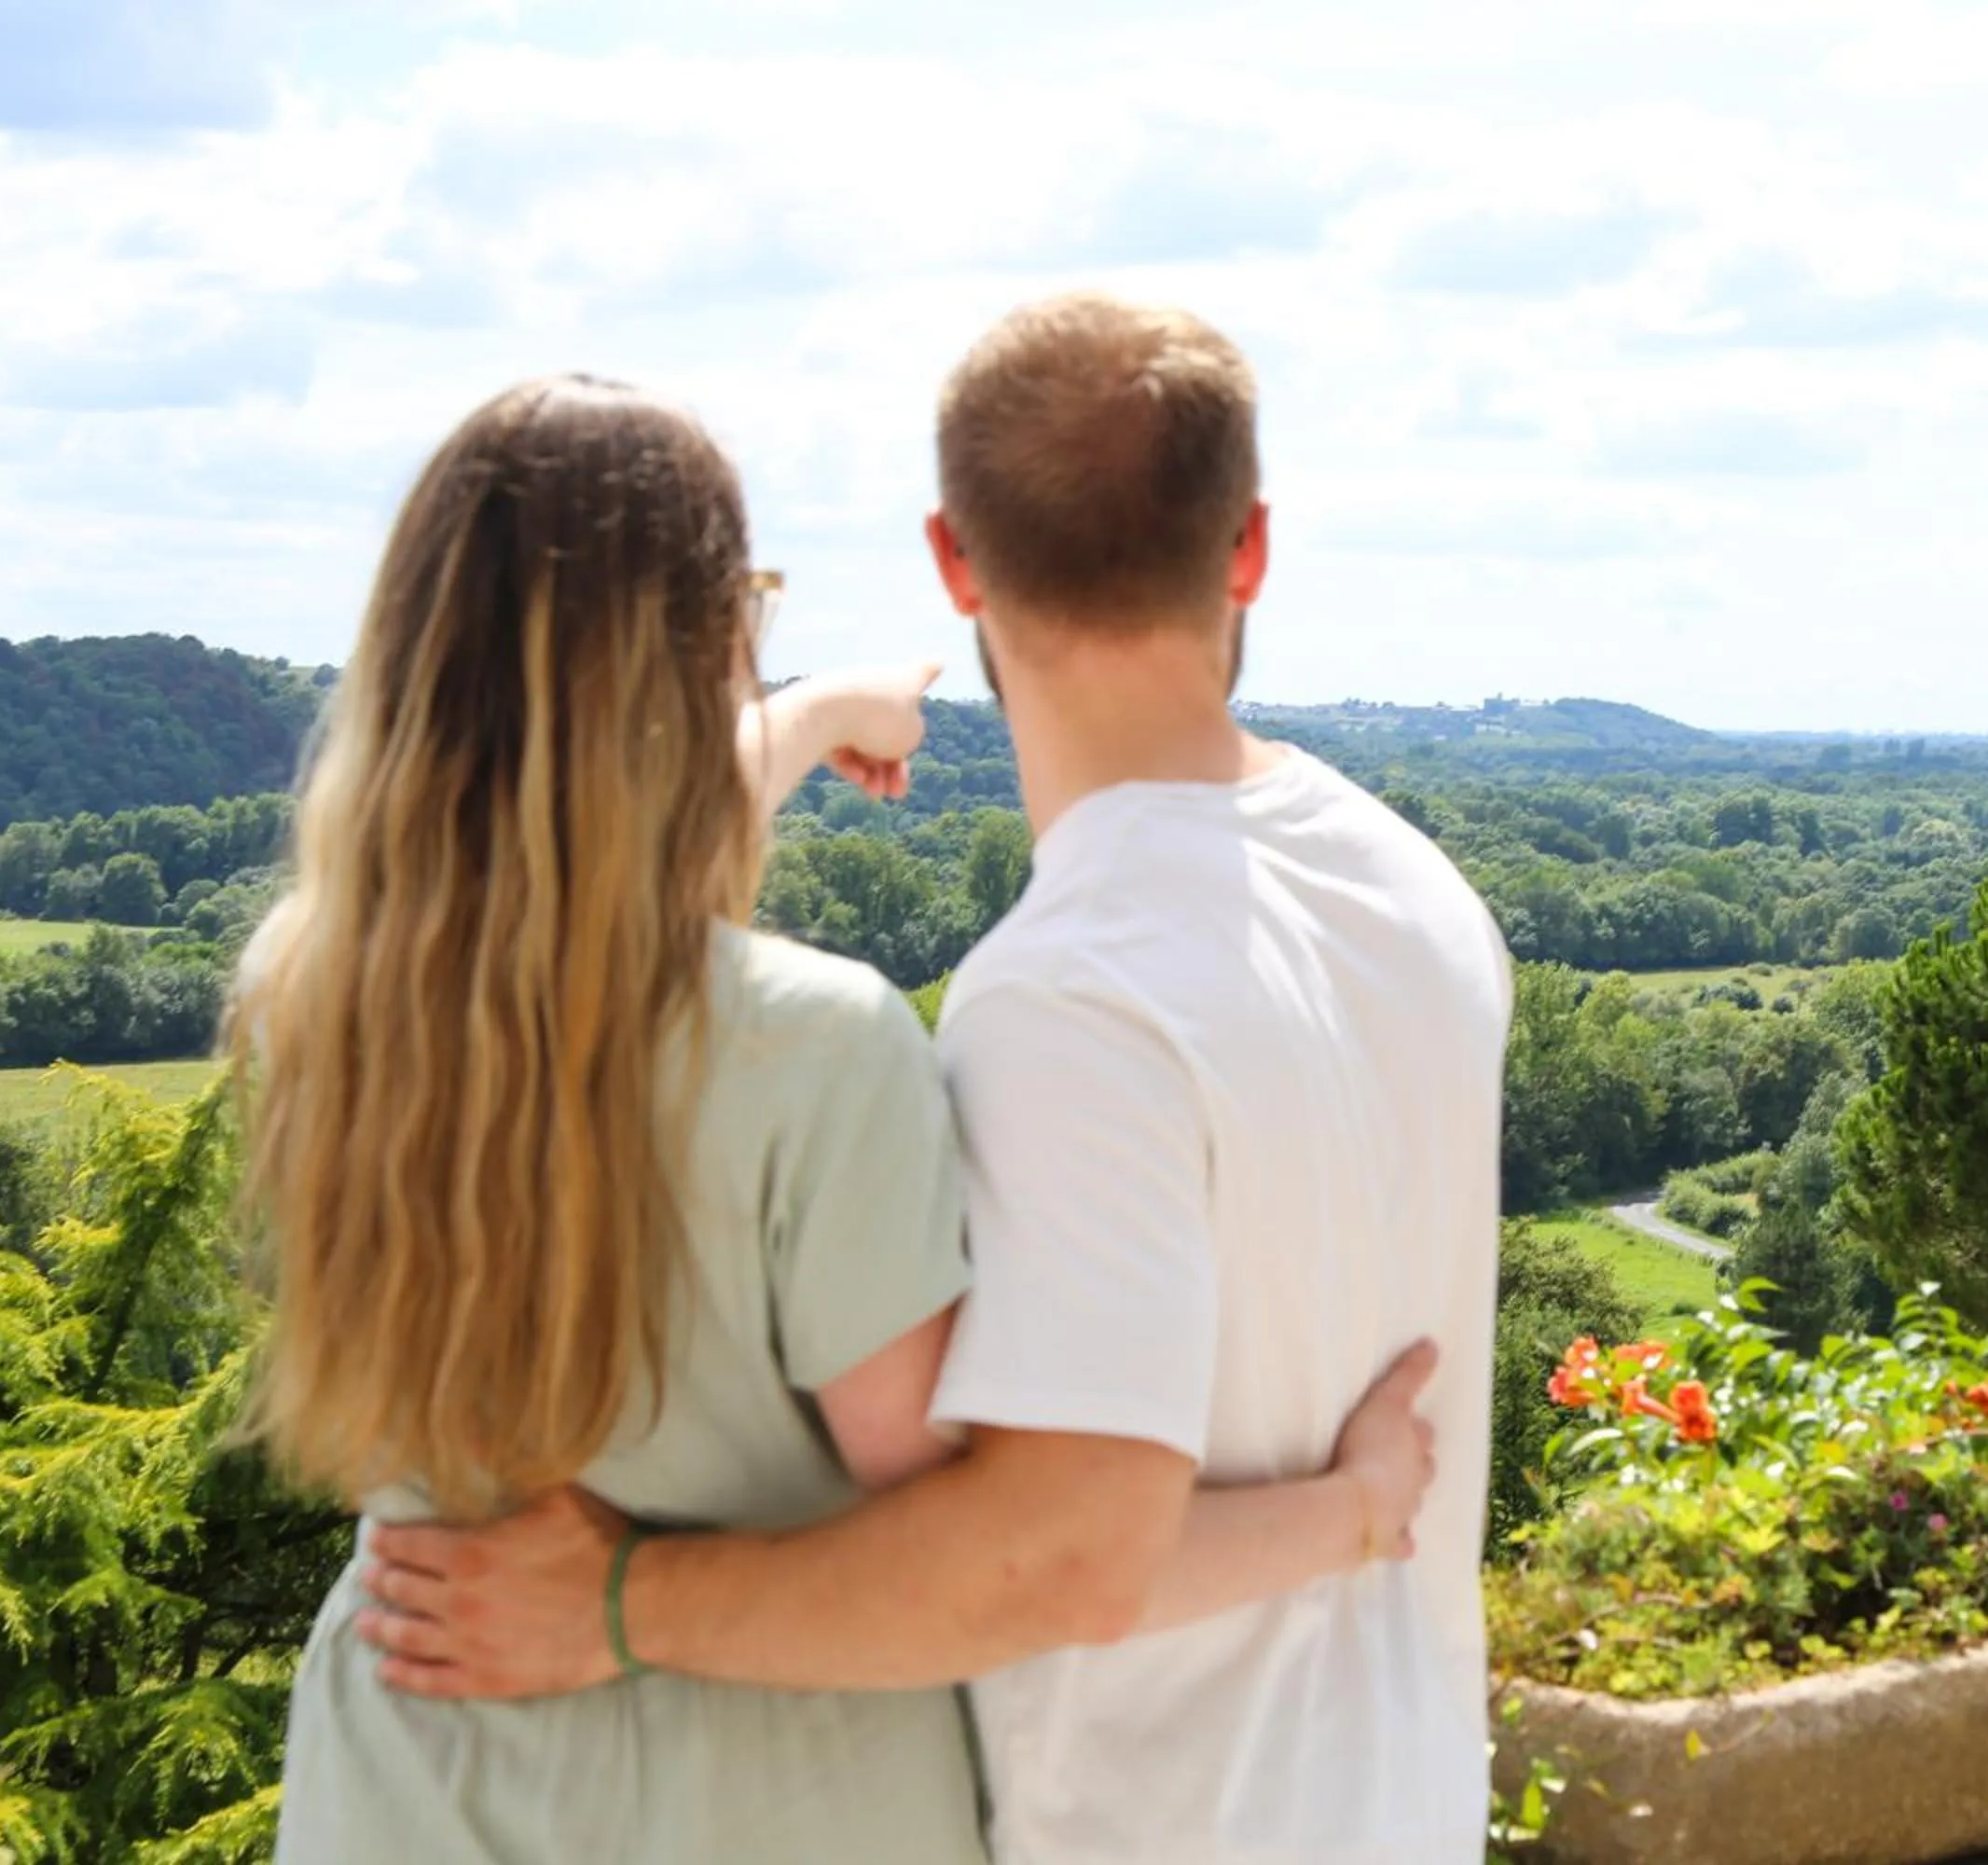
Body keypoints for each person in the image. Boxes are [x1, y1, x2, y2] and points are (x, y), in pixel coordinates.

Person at [355, 296, 1515, 1864]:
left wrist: (616, 1602)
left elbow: (1054, 1559)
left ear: (955, 559)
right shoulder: (1418, 896)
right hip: (1399, 1798)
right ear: (1246, 549)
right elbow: (610, 926)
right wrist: (816, 713)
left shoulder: (1063, 1000)